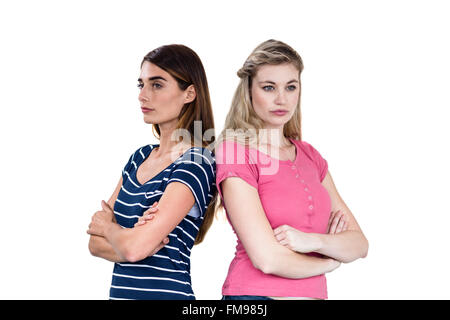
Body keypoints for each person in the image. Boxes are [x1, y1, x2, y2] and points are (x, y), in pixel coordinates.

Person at [214, 39, 369, 300]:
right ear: (249, 91)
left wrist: (314, 242)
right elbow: (267, 259)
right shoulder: (235, 153)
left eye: (290, 87)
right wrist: (327, 263)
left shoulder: (310, 156)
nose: (281, 99)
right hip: (254, 297)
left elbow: (359, 244)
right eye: (268, 87)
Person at [87, 44, 217, 300]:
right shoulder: (139, 157)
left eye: (157, 85)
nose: (143, 95)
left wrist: (113, 230)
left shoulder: (196, 161)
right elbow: (94, 243)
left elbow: (133, 249)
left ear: (189, 93)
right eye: (141, 84)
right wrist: (133, 240)